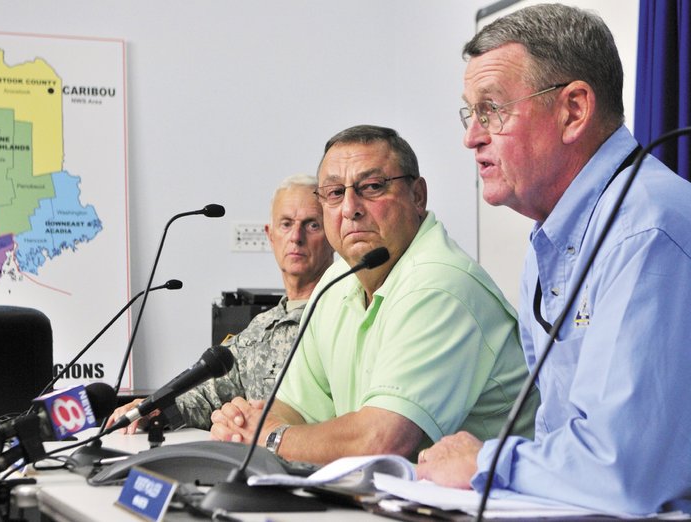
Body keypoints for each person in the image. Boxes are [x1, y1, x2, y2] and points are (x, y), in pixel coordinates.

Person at [416, 4, 691, 515]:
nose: (471, 136)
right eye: (469, 112)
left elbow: (622, 471)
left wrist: (486, 464)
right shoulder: (551, 239)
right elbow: (558, 432)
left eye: (491, 109)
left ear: (574, 111)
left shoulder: (647, 230)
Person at [209, 124, 537, 465]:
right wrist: (247, 424)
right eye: (334, 193)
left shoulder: (439, 284)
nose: (351, 207)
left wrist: (271, 437)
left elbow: (382, 440)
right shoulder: (337, 280)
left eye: (372, 187)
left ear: (417, 196)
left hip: (489, 506)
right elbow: (297, 407)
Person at [108, 174, 334, 432]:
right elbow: (205, 395)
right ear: (270, 235)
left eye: (312, 225)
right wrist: (152, 408)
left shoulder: (347, 312)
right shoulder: (261, 329)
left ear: (332, 236)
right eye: (286, 224)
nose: (296, 236)